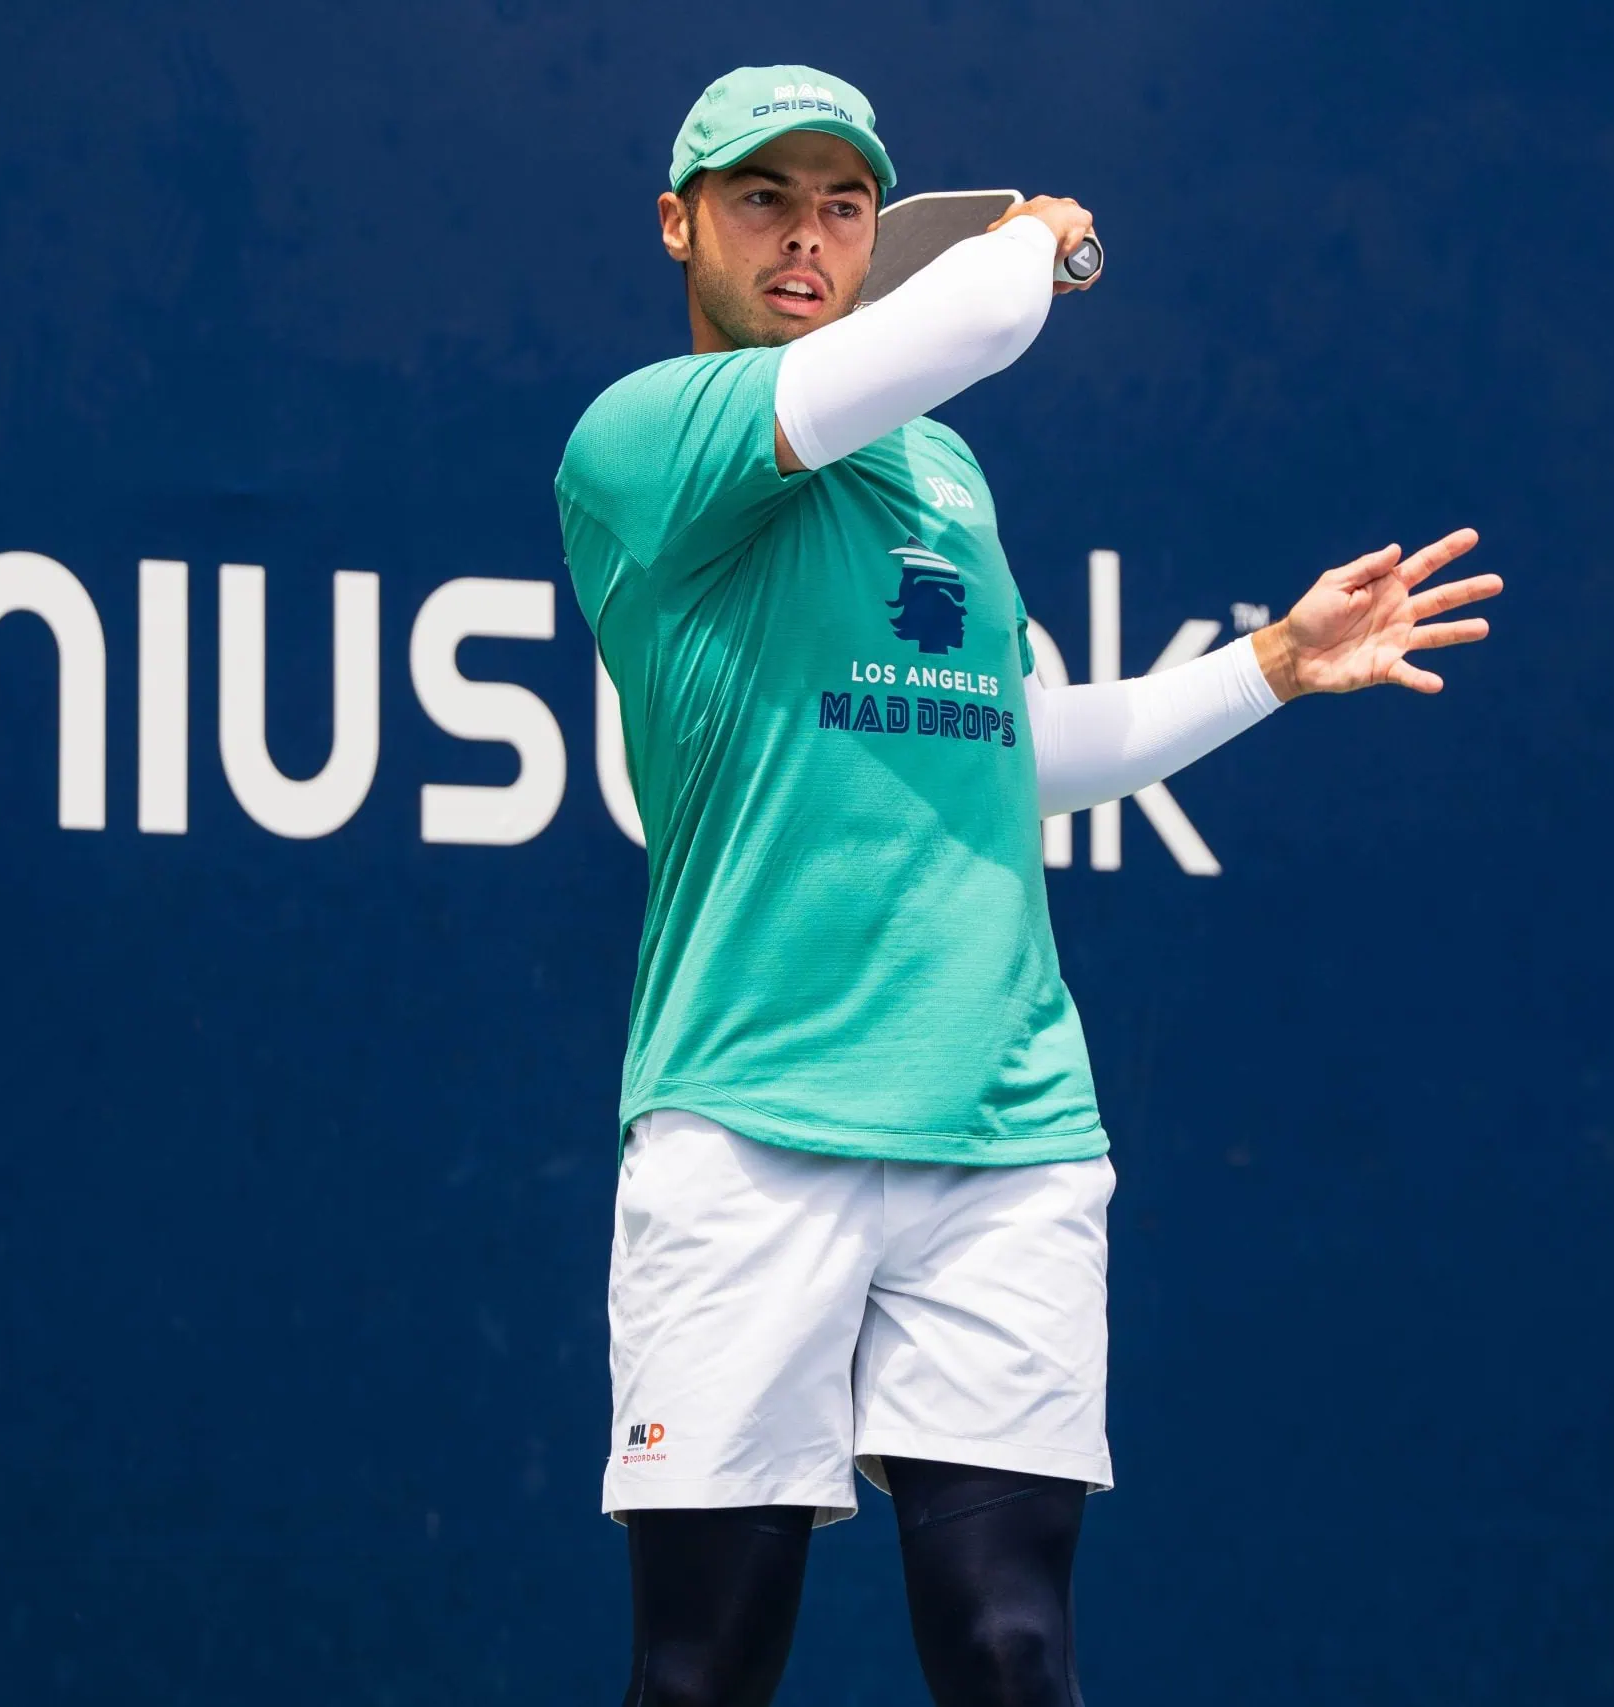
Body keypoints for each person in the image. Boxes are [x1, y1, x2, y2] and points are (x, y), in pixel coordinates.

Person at [554, 66, 1501, 1707]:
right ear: (678, 222)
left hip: (1009, 1127)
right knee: (703, 1667)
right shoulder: (644, 439)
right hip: (749, 1123)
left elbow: (1002, 744)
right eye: (763, 199)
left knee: (1011, 1643)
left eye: (843, 206)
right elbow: (973, 324)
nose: (807, 237)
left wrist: (1266, 666)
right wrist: (1042, 244)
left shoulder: (944, 481)